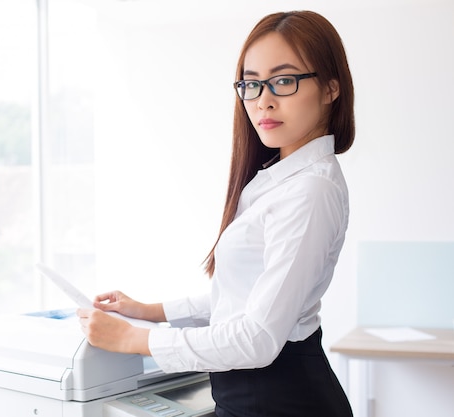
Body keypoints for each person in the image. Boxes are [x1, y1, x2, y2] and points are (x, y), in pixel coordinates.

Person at [77, 10, 354, 417]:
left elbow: (257, 337)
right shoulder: (281, 178)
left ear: (331, 88)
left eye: (283, 80)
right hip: (255, 396)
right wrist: (151, 311)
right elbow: (246, 294)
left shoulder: (310, 190)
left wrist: (134, 339)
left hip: (282, 401)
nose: (264, 100)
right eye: (252, 84)